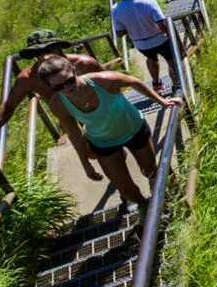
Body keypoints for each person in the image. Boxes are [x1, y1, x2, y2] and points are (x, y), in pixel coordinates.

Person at [38, 56, 179, 210]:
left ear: (73, 70)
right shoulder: (58, 104)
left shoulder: (103, 81)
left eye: (69, 80)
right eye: (58, 87)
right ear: (50, 87)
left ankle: (174, 193)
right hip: (102, 142)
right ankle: (147, 209)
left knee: (150, 170)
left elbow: (133, 81)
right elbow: (73, 133)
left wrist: (161, 101)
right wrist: (85, 163)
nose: (67, 88)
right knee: (126, 190)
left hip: (133, 128)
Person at [0, 30, 105, 155]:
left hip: (100, 114)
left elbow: (111, 86)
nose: (45, 56)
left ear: (59, 47)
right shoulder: (28, 79)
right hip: (71, 123)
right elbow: (8, 106)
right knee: (92, 153)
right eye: (38, 53)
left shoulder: (84, 64)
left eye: (49, 49)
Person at [110, 0, 183, 95]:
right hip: (160, 39)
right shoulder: (148, 2)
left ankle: (156, 85)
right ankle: (176, 86)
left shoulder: (115, 8)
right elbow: (162, 24)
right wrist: (173, 38)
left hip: (141, 45)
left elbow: (120, 33)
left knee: (151, 58)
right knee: (171, 61)